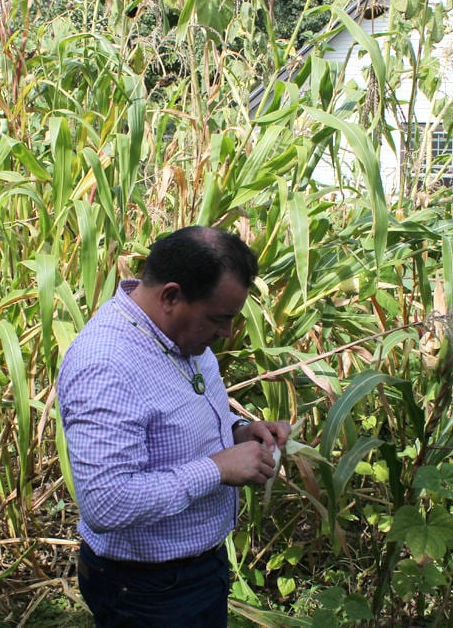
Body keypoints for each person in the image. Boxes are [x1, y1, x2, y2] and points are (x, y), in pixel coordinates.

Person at [57, 226, 291, 627]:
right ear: (170, 296)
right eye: (219, 319)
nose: (227, 332)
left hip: (199, 570)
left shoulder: (181, 336)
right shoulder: (106, 364)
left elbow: (178, 419)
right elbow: (106, 503)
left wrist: (238, 432)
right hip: (148, 591)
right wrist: (217, 468)